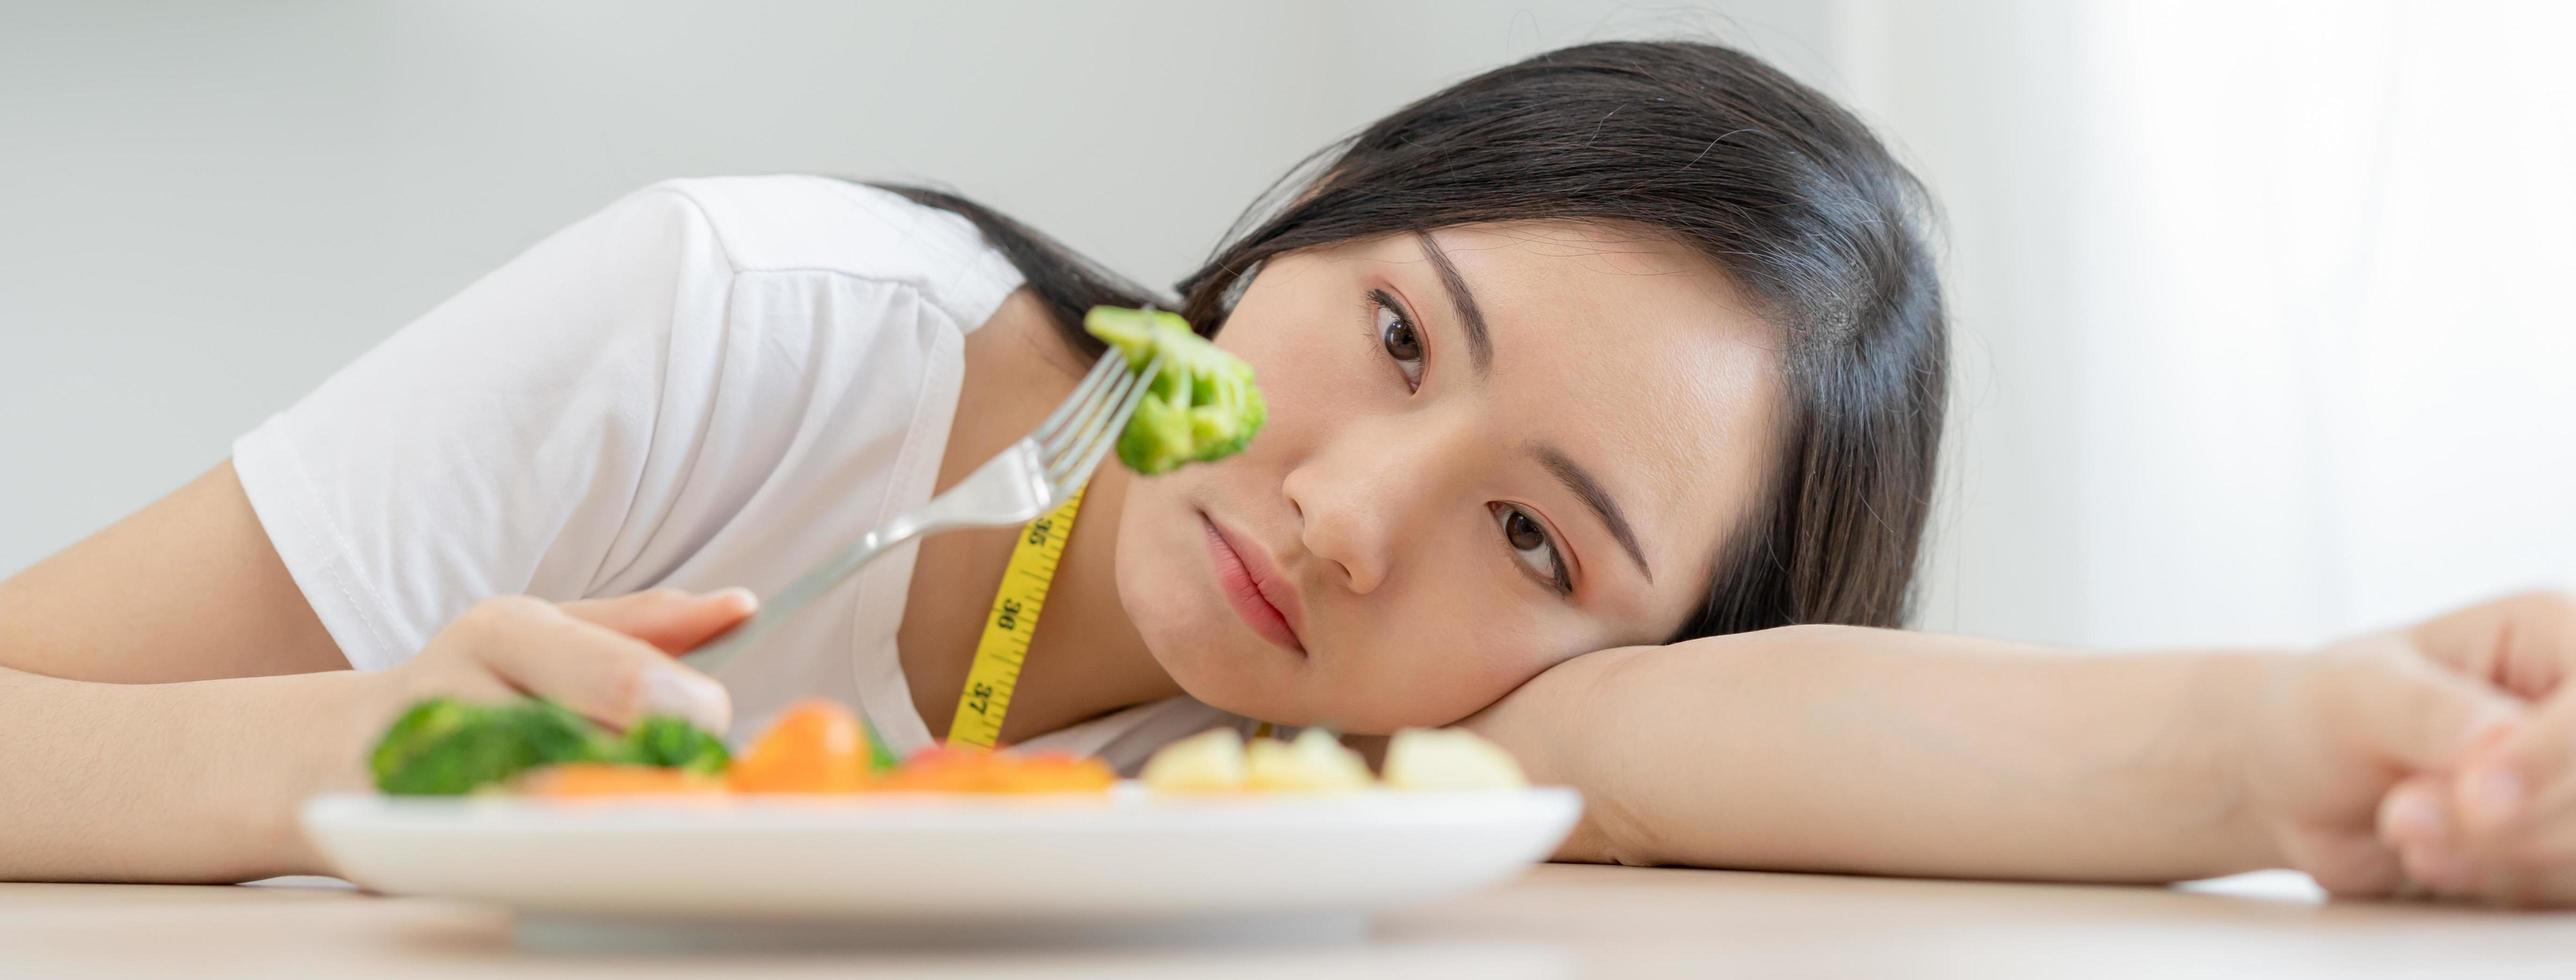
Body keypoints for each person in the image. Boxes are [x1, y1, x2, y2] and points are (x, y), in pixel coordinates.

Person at [2, 39, 2569, 905]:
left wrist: (2305, 742)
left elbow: (1775, 732)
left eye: (1539, 535)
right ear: (1291, 244)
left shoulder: (1401, 768)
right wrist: (380, 753)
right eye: (1389, 331)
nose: (1353, 510)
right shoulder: (745, 322)